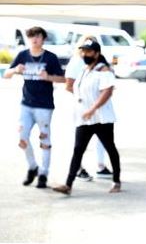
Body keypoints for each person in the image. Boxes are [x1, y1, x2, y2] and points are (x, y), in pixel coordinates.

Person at [52, 39, 121, 195]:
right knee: (78, 150)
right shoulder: (85, 69)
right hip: (84, 118)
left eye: (89, 51)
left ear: (96, 53)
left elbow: (107, 92)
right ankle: (68, 185)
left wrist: (93, 108)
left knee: (110, 148)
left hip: (101, 118)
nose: (85, 54)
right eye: (83, 51)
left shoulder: (104, 70)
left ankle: (116, 181)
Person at [3, 26, 65, 189]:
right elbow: (5, 75)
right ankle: (33, 167)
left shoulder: (50, 57)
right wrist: (15, 70)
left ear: (43, 38)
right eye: (31, 37)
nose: (34, 39)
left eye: (37, 36)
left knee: (44, 139)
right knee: (22, 138)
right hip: (26, 104)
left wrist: (48, 77)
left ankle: (43, 173)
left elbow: (63, 79)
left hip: (44, 106)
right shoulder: (23, 55)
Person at [65, 35, 113, 181]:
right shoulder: (76, 62)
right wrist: (86, 98)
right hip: (82, 108)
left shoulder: (100, 63)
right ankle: (79, 169)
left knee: (102, 139)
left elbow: (107, 86)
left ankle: (100, 165)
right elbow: (68, 85)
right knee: (80, 143)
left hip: (98, 108)